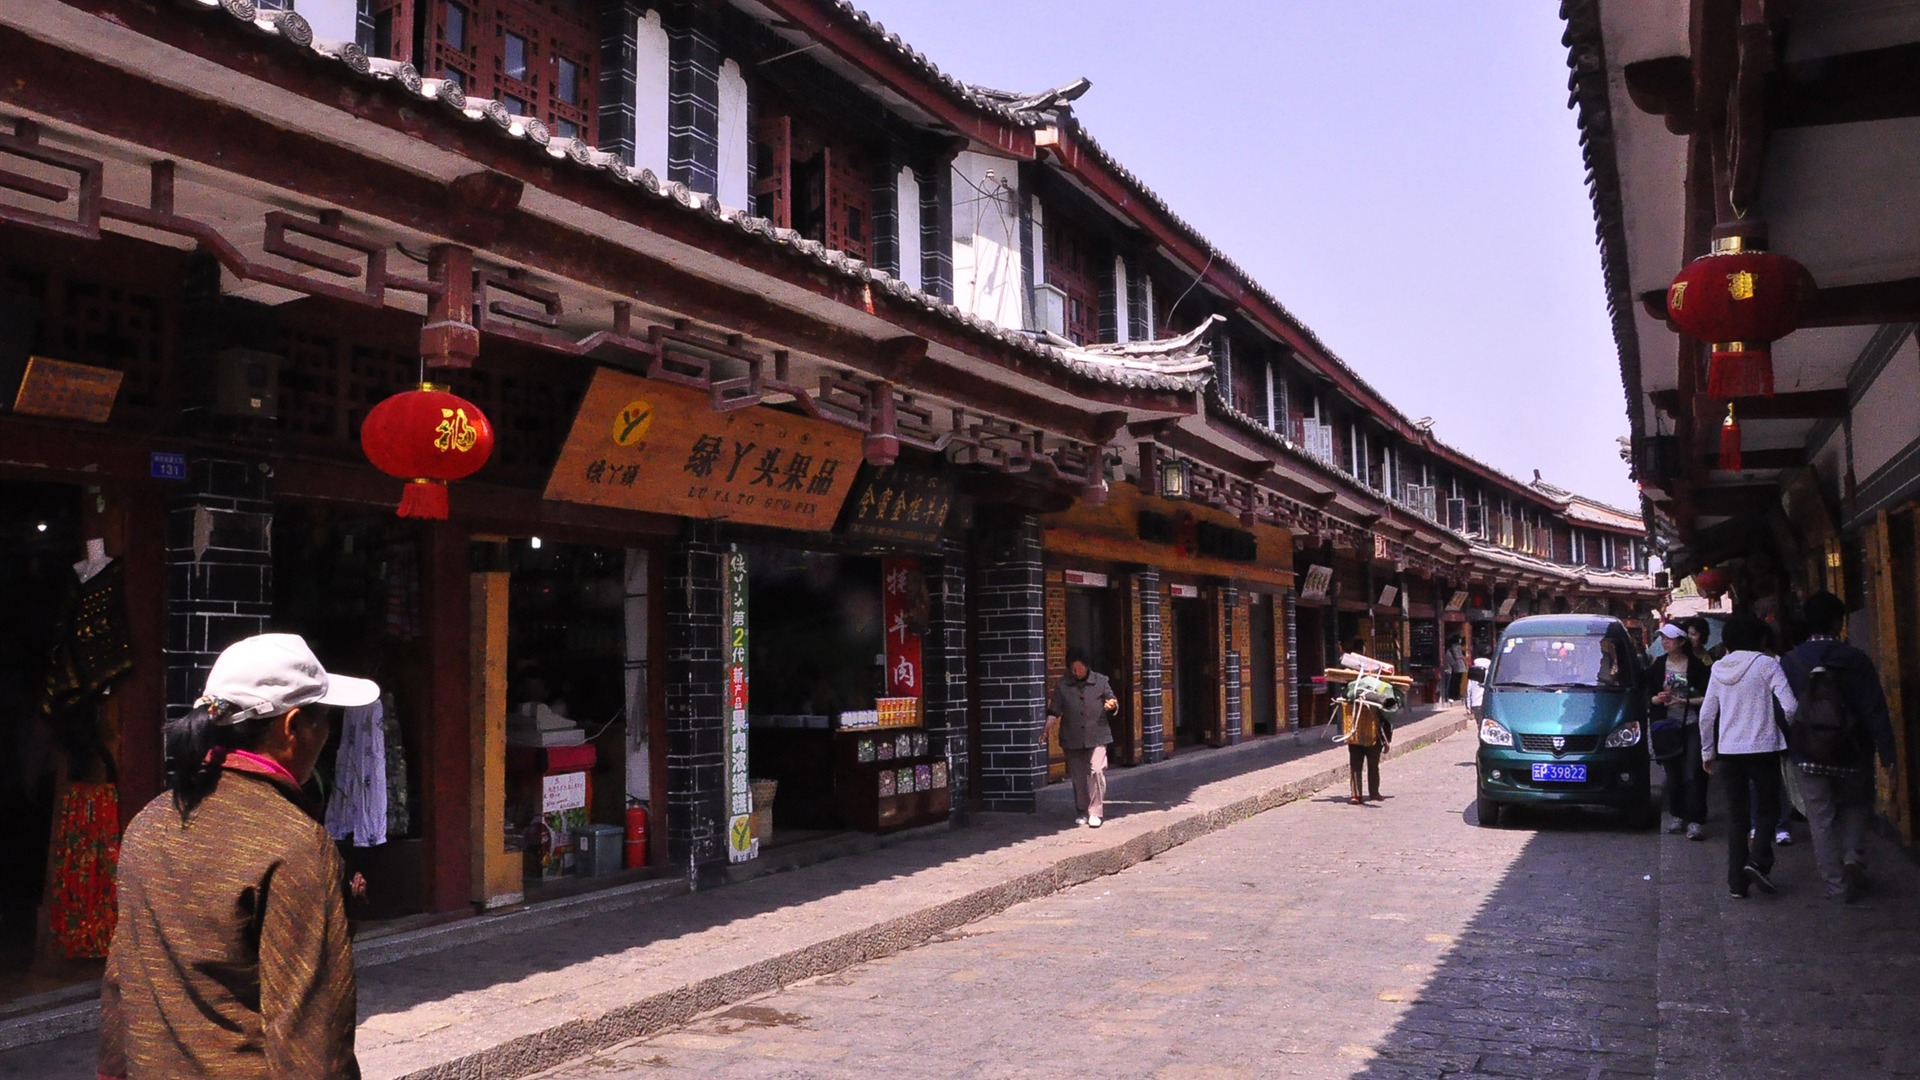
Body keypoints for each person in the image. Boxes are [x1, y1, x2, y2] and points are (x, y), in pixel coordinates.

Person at [99, 633, 379, 1079]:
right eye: (325, 720)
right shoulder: (296, 845)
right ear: (292, 727)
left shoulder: (149, 823)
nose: (327, 736)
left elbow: (121, 983)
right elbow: (312, 1033)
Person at [1781, 592, 1898, 902]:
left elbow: (1785, 711)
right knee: (1857, 807)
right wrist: (1887, 753)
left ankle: (1837, 885)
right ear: (1838, 621)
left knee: (1821, 818)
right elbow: (1875, 707)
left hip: (1807, 753)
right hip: (1853, 750)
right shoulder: (1856, 659)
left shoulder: (1791, 661)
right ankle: (1853, 856)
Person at [1699, 614, 1796, 900]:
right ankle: (1756, 861)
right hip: (1764, 749)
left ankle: (1736, 883)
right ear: (1759, 639)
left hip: (1729, 751)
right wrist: (1784, 731)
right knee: (1769, 809)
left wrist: (1708, 751)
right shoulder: (1768, 664)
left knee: (1737, 816)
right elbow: (1790, 707)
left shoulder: (1718, 668)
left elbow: (1707, 715)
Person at [1648, 623, 1712, 840]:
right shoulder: (1657, 666)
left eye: (1670, 638)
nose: (1665, 642)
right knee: (1673, 775)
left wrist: (1684, 700)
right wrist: (1658, 699)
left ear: (1682, 642)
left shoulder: (1696, 667)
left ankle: (1695, 819)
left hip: (1691, 724)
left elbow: (1708, 697)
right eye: (1663, 638)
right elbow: (1649, 695)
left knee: (1692, 773)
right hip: (1666, 727)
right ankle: (1677, 815)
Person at [1045, 646, 1118, 828]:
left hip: (1098, 734)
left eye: (1079, 668)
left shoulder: (1101, 681)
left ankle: (1095, 812)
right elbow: (1054, 710)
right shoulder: (1063, 685)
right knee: (1078, 776)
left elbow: (1112, 700)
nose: (1076, 672)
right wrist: (1045, 730)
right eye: (1073, 669)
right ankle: (1082, 810)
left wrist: (1112, 705)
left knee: (1096, 771)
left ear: (1087, 667)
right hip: (1072, 736)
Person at [1442, 635, 1468, 704]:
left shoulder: (1453, 647)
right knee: (1456, 681)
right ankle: (1455, 694)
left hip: (1456, 664)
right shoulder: (1456, 646)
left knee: (1455, 681)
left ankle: (1455, 694)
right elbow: (1458, 655)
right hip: (1457, 664)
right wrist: (1463, 657)